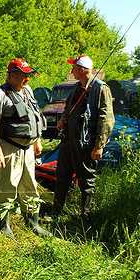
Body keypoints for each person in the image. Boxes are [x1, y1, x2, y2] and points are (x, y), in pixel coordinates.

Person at [0, 58, 49, 238]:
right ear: (12, 75)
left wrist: (37, 140)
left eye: (28, 75)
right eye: (24, 75)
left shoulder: (27, 90)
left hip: (28, 148)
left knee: (30, 186)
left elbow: (34, 116)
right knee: (7, 186)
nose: (28, 79)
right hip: (9, 147)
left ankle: (33, 222)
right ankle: (3, 224)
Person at [53, 54, 114, 219]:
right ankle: (57, 211)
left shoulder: (101, 88)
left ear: (81, 70)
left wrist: (99, 145)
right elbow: (68, 109)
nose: (71, 71)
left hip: (86, 144)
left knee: (86, 181)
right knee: (62, 177)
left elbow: (106, 119)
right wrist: (63, 120)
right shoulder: (75, 88)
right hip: (68, 141)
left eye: (73, 67)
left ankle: (85, 216)